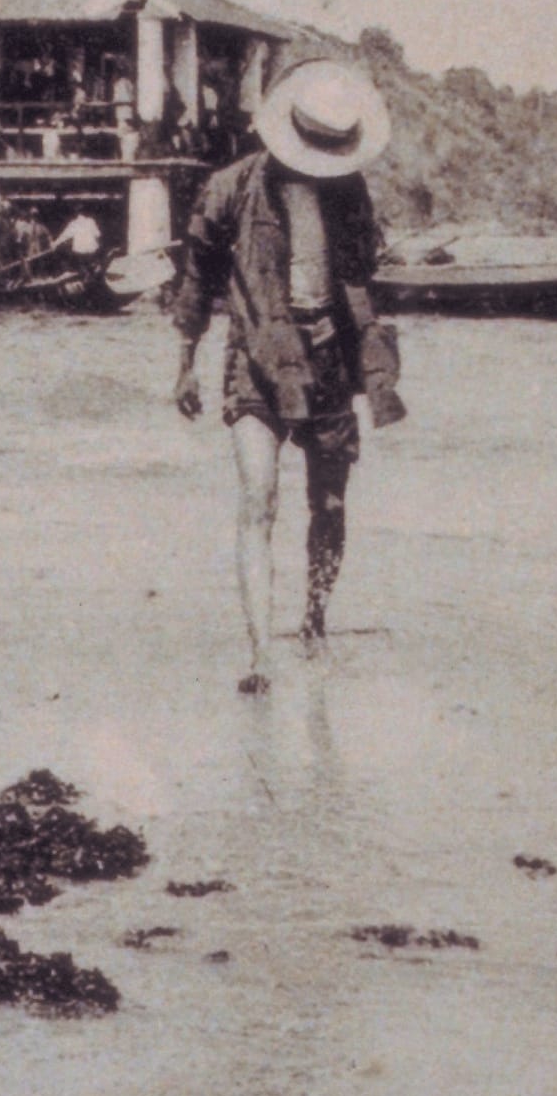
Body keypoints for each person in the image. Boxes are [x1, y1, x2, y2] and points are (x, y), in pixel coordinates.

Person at [172, 57, 406, 696]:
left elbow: (363, 278)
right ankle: (259, 654)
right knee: (259, 500)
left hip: (329, 362)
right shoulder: (230, 189)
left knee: (329, 505)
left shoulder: (350, 193)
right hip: (256, 359)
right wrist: (185, 365)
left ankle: (314, 621)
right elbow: (196, 280)